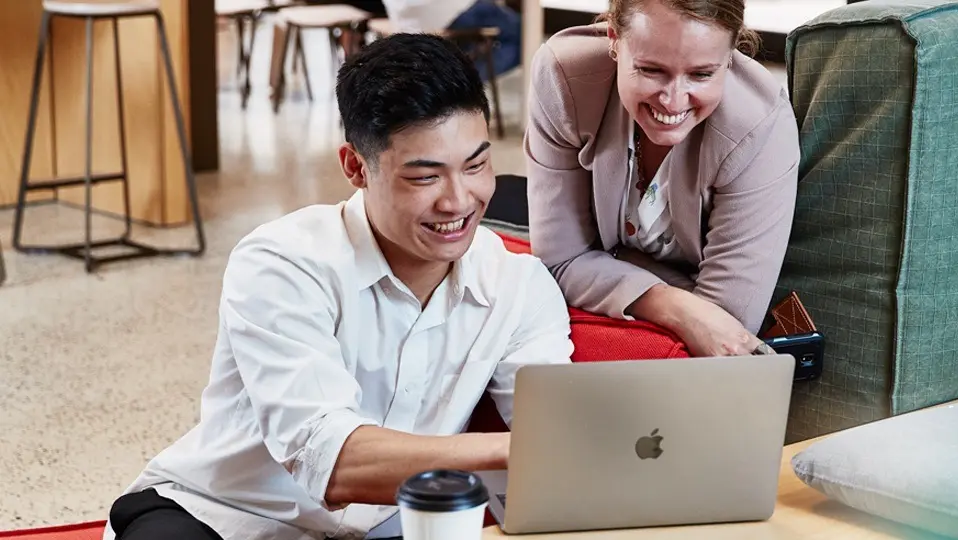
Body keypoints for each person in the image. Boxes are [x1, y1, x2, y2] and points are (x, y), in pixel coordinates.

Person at [102, 33, 573, 540]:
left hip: (382, 530)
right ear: (355, 167)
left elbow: (559, 427)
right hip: (222, 518)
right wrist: (514, 450)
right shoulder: (282, 262)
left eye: (476, 165)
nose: (459, 200)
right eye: (424, 177)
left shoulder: (519, 285)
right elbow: (333, 459)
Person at [524, 0, 800, 358]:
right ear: (613, 39)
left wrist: (606, 264)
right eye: (651, 70)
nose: (672, 101)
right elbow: (559, 260)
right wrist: (671, 303)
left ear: (731, 55)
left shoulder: (762, 127)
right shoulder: (565, 77)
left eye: (701, 74)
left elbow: (727, 326)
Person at [381, 0, 521, 80]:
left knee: (523, 44)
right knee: (527, 36)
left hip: (410, 23)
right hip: (454, 9)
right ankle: (460, 80)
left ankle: (456, 79)